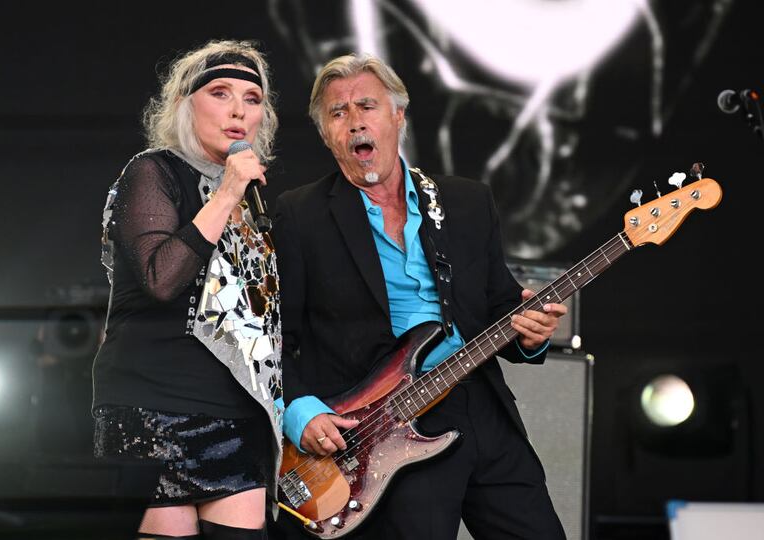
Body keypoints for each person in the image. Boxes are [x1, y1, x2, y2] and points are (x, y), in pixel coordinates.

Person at [271, 53, 568, 539]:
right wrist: (299, 410)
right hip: (385, 423)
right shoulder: (300, 215)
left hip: (481, 402)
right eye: (337, 113)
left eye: (366, 105)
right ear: (325, 133)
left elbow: (501, 305)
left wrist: (529, 334)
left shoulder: (467, 201)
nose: (354, 123)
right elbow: (275, 336)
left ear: (397, 116)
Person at [92, 39, 282, 540]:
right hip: (156, 406)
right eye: (221, 93)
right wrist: (225, 194)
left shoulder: (252, 203)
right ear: (184, 102)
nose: (239, 110)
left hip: (236, 410)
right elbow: (161, 279)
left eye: (253, 98)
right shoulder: (152, 172)